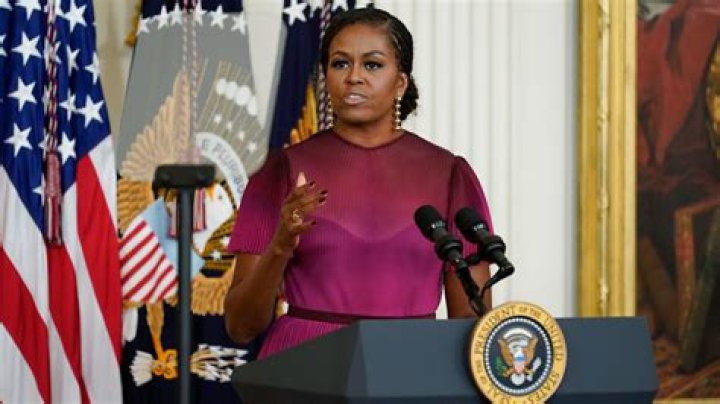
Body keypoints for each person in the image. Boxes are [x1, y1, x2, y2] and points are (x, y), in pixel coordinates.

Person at [224, 7, 493, 359]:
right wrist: (280, 245)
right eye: (340, 64)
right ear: (326, 77)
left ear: (401, 83)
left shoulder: (449, 174)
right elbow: (241, 326)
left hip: (410, 363)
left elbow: (472, 328)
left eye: (372, 65)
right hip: (304, 366)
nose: (354, 77)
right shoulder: (279, 171)